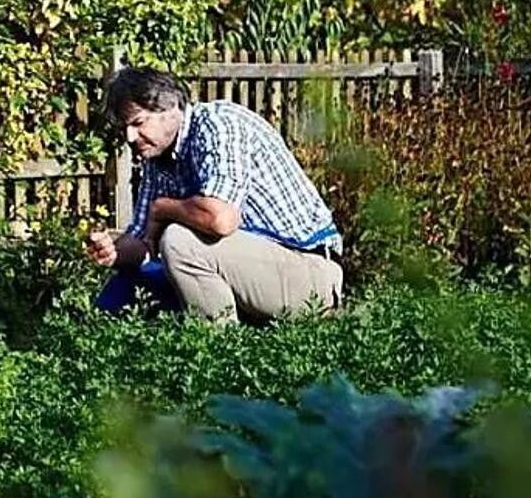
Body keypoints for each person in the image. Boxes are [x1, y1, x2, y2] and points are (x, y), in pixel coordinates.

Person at [85, 66, 344, 323]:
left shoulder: (219, 124)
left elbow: (220, 219)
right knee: (127, 288)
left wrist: (163, 207)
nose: (130, 137)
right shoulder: (157, 158)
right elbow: (144, 244)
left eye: (138, 123)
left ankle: (219, 354)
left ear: (171, 106)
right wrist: (114, 249)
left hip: (310, 271)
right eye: (124, 128)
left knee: (179, 241)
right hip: (256, 270)